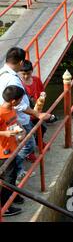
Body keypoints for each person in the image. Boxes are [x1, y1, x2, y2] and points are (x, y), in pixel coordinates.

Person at [0, 48, 50, 182]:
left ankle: (16, 170)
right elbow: (18, 104)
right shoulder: (13, 80)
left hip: (10, 118)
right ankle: (15, 170)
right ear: (21, 62)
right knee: (27, 145)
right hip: (15, 119)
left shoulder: (2, 73)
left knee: (15, 146)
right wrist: (36, 113)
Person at [0, 86, 26, 217]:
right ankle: (5, 207)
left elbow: (15, 123)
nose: (21, 102)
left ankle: (13, 196)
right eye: (20, 99)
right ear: (14, 101)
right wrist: (5, 133)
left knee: (13, 174)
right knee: (8, 179)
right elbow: (4, 131)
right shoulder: (1, 112)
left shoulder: (11, 110)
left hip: (13, 148)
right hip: (3, 153)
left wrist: (21, 130)